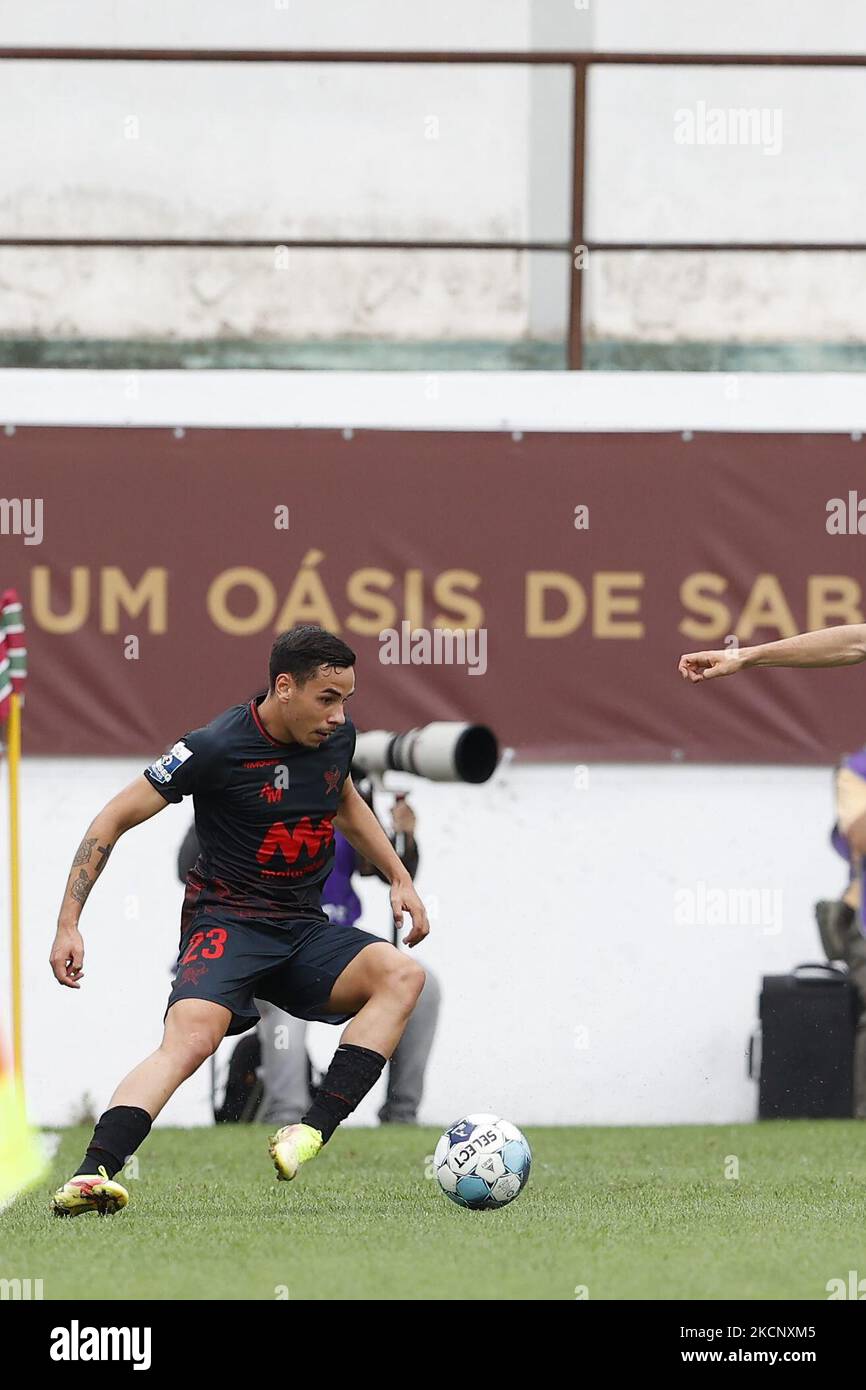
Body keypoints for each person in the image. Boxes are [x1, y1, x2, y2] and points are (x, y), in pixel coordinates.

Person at [48, 625, 430, 1217]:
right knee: (190, 1040)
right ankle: (91, 1174)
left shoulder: (335, 738)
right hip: (226, 925)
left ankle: (309, 1131)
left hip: (301, 929)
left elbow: (345, 801)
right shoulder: (215, 745)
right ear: (284, 687)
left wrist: (400, 877)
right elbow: (112, 819)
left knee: (403, 976)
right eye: (327, 699)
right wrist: (69, 922)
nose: (339, 716)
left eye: (347, 701)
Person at [177, 784, 441, 1126]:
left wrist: (406, 837)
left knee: (423, 985)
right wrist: (219, 799)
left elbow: (384, 869)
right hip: (258, 945)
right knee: (288, 1009)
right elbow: (185, 866)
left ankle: (401, 1115)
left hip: (333, 947)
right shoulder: (243, 782)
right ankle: (288, 1117)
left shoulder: (339, 794)